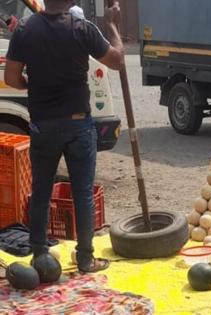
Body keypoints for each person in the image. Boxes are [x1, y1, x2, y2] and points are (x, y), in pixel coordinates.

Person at [4, 0, 124, 273]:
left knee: (41, 193)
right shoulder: (83, 29)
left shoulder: (25, 29)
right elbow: (117, 61)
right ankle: (85, 258)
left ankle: (39, 255)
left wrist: (30, 83)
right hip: (78, 125)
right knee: (82, 194)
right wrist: (114, 26)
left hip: (43, 126)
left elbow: (12, 78)